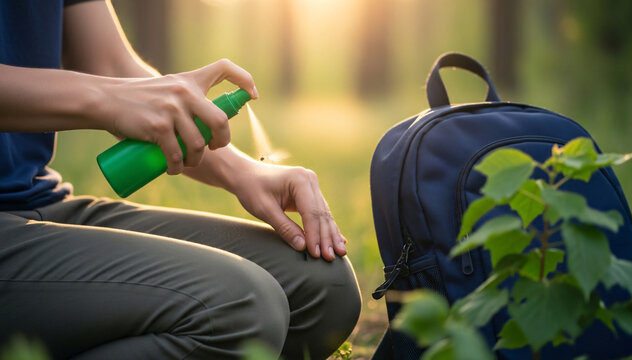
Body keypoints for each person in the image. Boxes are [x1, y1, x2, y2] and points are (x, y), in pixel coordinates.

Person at [0, 0, 362, 359]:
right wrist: (106, 98)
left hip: (37, 200)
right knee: (239, 308)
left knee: (323, 289)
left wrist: (244, 172)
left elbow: (110, 62)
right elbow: (112, 88)